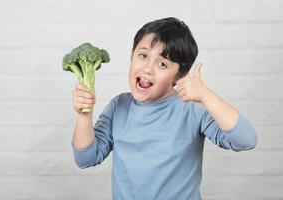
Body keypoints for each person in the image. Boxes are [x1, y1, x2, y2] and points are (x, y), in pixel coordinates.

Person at [71, 17, 257, 200]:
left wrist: (206, 96)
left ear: (180, 75)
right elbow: (85, 159)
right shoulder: (118, 106)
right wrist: (83, 115)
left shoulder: (192, 109)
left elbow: (245, 140)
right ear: (132, 56)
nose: (147, 69)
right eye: (143, 56)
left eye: (162, 64)